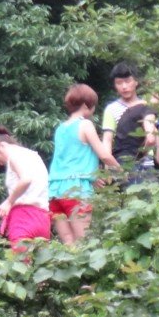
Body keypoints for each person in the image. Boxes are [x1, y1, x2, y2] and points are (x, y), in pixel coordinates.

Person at [47, 84, 120, 245]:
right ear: (87, 105)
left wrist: (91, 178)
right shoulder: (85, 124)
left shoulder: (60, 128)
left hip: (54, 190)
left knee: (68, 241)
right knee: (83, 242)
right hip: (77, 189)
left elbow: (70, 159)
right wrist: (122, 171)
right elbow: (104, 155)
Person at [0, 127, 51, 252]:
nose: (0, 163)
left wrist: (9, 202)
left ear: (2, 145)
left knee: (20, 260)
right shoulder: (33, 155)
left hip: (23, 217)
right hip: (43, 217)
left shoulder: (14, 157)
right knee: (42, 260)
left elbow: (26, 179)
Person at [101, 62, 159, 173]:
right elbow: (107, 140)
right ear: (114, 85)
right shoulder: (111, 109)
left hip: (147, 161)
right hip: (122, 162)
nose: (124, 87)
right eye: (119, 83)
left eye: (128, 81)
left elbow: (154, 136)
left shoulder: (147, 106)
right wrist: (108, 168)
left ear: (136, 81)